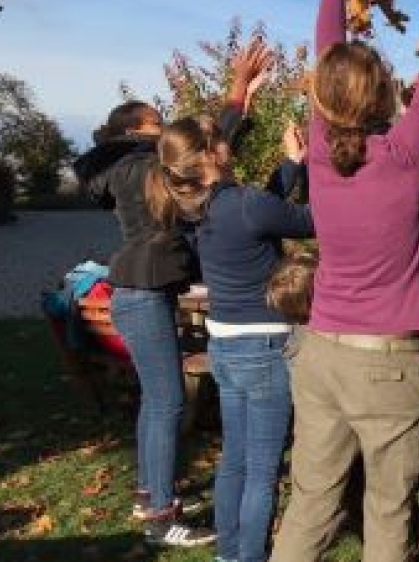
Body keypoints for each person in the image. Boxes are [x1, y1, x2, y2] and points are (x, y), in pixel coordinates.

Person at [269, 0, 419, 561]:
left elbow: (327, 44)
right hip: (386, 366)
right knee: (387, 515)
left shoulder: (321, 150)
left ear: (320, 99)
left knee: (310, 506)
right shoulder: (405, 152)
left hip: (321, 354)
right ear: (385, 93)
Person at [70, 42, 268, 546]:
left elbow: (195, 158)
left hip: (138, 290)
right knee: (167, 402)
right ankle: (161, 518)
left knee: (156, 401)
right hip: (140, 292)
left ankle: (147, 494)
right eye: (157, 122)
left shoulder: (128, 166)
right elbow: (197, 153)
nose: (166, 129)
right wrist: (237, 93)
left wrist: (240, 98)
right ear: (135, 131)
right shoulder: (140, 167)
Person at [149, 104, 315, 562]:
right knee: (262, 471)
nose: (230, 142)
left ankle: (229, 553)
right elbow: (307, 220)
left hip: (225, 345)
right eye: (222, 139)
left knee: (236, 460)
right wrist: (318, 168)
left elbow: (263, 212)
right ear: (211, 154)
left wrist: (292, 165)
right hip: (265, 348)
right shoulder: (245, 204)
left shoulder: (198, 209)